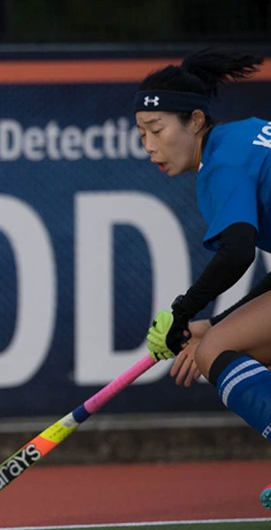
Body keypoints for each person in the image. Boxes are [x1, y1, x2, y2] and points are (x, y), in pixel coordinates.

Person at [137, 49, 270, 454]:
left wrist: (182, 311)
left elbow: (236, 251)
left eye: (157, 130)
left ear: (195, 121)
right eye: (141, 133)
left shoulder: (221, 166)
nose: (148, 145)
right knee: (239, 346)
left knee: (214, 352)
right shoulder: (245, 135)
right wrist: (217, 320)